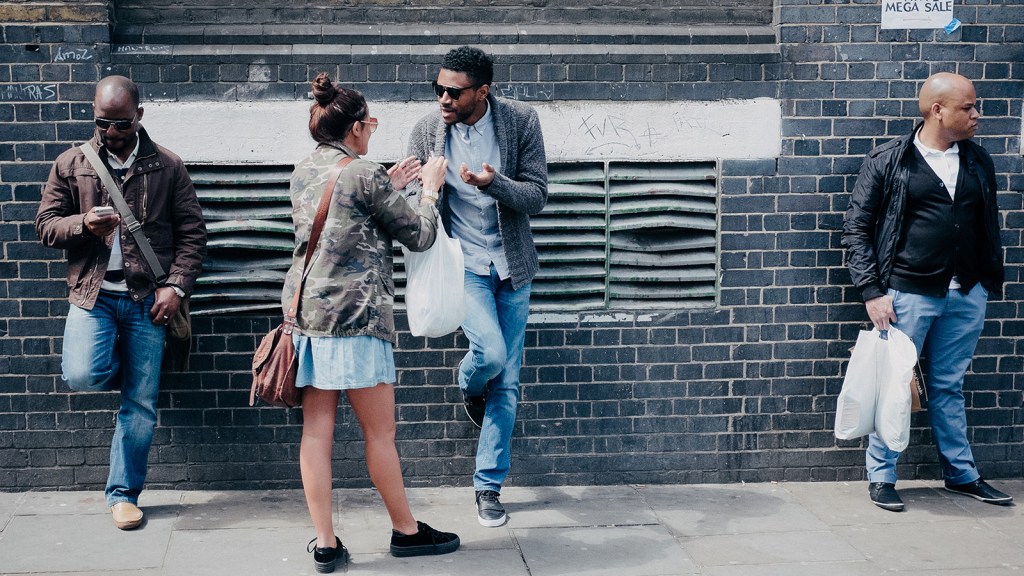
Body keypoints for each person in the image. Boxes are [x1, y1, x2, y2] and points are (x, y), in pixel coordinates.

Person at [287, 72, 459, 573]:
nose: (373, 132)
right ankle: (406, 532)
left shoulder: (302, 171)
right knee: (379, 433)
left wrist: (391, 184)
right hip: (357, 319)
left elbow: (345, 217)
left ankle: (325, 544)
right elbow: (421, 237)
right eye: (372, 124)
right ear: (357, 128)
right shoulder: (365, 173)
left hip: (309, 317)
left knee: (316, 432)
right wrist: (426, 190)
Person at [35, 75, 207, 530]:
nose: (111, 133)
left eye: (121, 124)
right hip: (93, 296)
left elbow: (192, 236)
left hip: (147, 300)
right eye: (102, 123)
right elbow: (45, 225)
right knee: (81, 373)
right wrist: (82, 225)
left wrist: (176, 287)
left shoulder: (168, 166)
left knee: (141, 405)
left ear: (140, 116)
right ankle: (128, 372)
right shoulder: (72, 163)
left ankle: (123, 495)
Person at [842, 72, 1013, 512]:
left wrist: (986, 282)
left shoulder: (977, 161)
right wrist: (872, 291)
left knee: (948, 385)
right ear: (938, 110)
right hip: (907, 295)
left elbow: (986, 226)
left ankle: (961, 474)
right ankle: (881, 477)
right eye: (968, 107)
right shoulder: (891, 160)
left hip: (968, 293)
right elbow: (857, 228)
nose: (977, 115)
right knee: (895, 385)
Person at [406, 46, 548, 527]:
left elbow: (537, 195)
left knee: (507, 382)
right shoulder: (428, 130)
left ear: (482, 91)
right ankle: (469, 384)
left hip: (512, 265)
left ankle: (488, 487)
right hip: (462, 263)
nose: (443, 98)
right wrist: (418, 185)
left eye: (454, 91)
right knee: (488, 356)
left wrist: (494, 183)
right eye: (438, 88)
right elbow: (410, 200)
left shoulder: (521, 122)